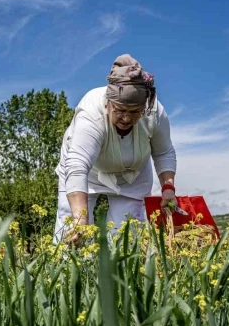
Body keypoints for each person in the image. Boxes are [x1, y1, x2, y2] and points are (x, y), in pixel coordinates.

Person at [53, 53, 178, 245]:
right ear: (108, 103)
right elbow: (77, 166)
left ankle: (121, 272)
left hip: (132, 174)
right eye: (120, 110)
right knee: (72, 226)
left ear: (144, 106)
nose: (126, 118)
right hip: (87, 173)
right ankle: (71, 270)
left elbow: (163, 152)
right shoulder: (91, 114)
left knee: (128, 234)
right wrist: (80, 221)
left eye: (135, 112)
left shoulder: (154, 113)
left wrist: (168, 188)